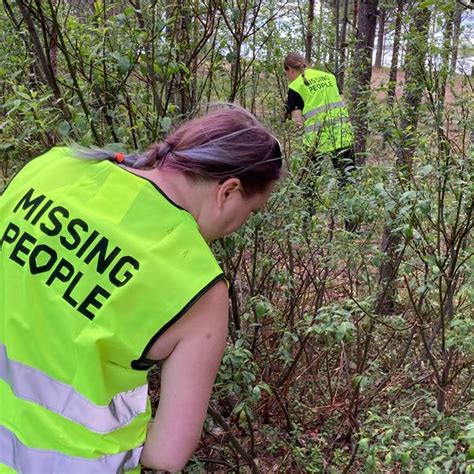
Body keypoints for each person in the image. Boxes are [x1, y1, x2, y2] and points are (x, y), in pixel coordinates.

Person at [0, 106, 282, 473]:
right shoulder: (199, 287)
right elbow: (166, 454)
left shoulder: (56, 167)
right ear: (228, 191)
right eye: (251, 211)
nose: (241, 224)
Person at [284, 53, 356, 226]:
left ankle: (307, 224)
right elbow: (341, 102)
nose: (286, 77)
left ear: (289, 69)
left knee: (311, 183)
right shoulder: (329, 77)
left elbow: (298, 122)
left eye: (285, 73)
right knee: (347, 182)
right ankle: (350, 227)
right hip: (342, 136)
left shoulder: (296, 86)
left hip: (316, 142)